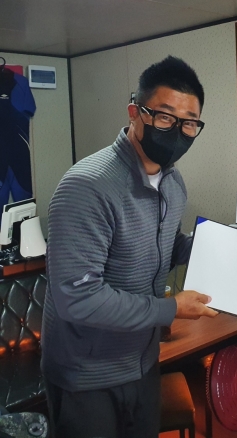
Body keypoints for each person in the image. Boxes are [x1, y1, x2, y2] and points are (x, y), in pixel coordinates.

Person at [41, 56, 219, 438]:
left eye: (189, 123)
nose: (177, 131)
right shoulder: (87, 186)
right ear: (135, 112)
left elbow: (166, 246)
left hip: (142, 365)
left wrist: (233, 243)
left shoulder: (173, 183)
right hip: (86, 377)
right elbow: (78, 298)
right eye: (165, 117)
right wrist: (171, 308)